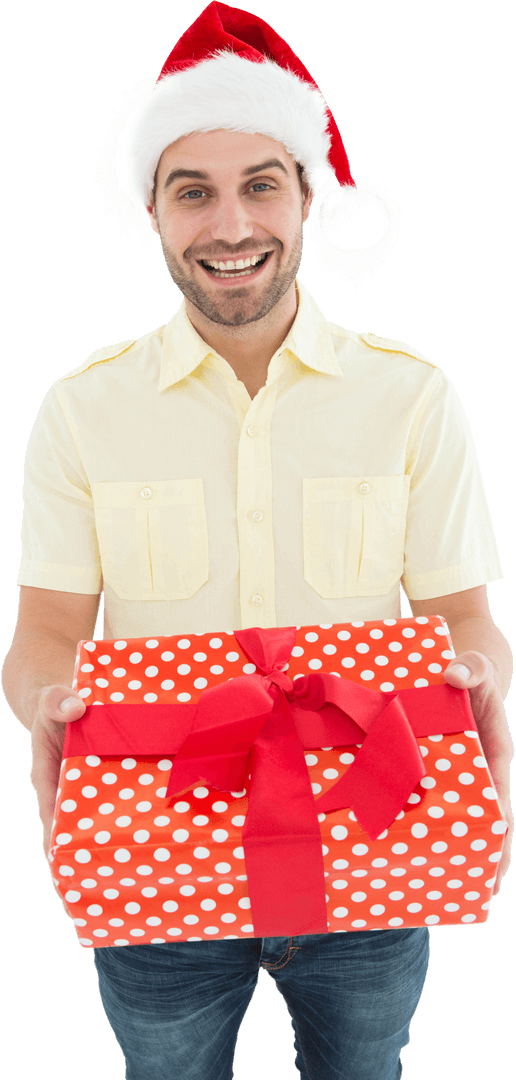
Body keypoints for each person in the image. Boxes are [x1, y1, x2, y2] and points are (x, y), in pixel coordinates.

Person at [1, 3, 514, 1078]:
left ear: (308, 196)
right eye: (194, 192)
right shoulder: (83, 409)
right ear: (152, 209)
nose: (230, 225)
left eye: (260, 185)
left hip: (378, 842)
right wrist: (47, 708)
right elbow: (46, 631)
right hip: (155, 852)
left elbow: (465, 617)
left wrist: (482, 693)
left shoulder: (410, 395)